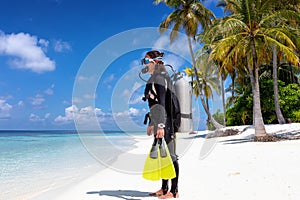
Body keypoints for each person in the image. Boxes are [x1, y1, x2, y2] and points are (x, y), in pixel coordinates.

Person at [141, 50, 179, 199]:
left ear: (154, 62)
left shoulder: (160, 78)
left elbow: (162, 102)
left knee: (172, 156)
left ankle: (174, 191)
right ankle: (164, 189)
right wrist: (152, 123)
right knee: (163, 156)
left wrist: (162, 126)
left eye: (146, 61)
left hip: (167, 122)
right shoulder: (152, 79)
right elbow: (154, 104)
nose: (144, 65)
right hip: (159, 121)